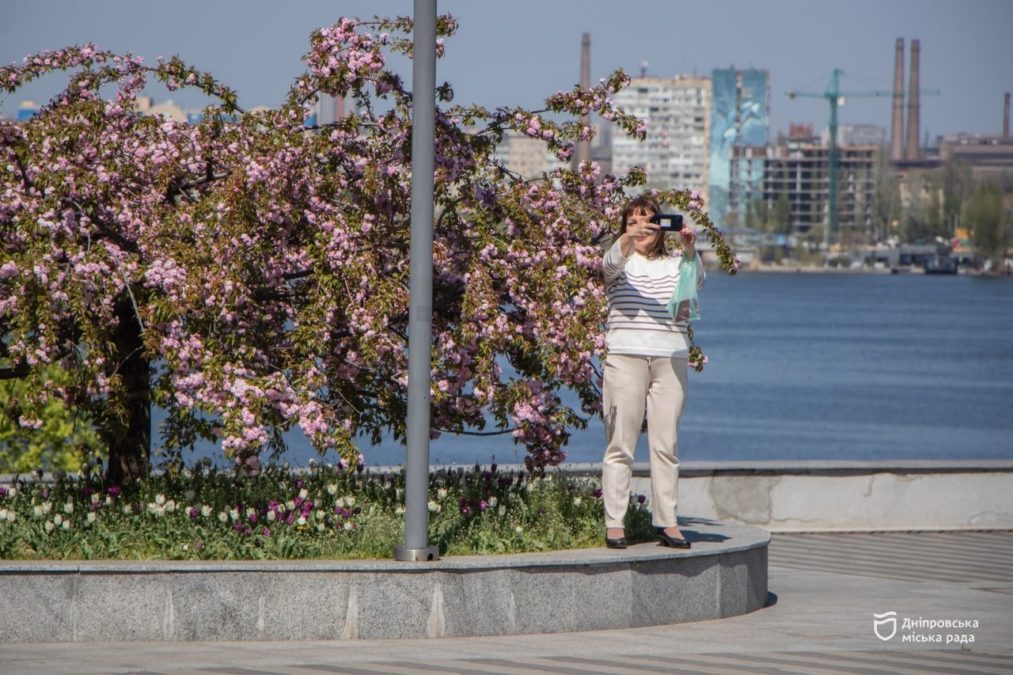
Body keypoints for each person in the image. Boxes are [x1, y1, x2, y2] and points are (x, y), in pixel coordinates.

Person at [601, 194, 704, 549]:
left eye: (648, 221)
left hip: (670, 358)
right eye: (632, 222)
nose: (641, 228)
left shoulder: (676, 263)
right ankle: (615, 524)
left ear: (661, 228)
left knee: (666, 445)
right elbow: (608, 265)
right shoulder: (621, 261)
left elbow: (695, 285)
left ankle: (667, 522)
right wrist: (628, 238)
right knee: (620, 444)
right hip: (625, 356)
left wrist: (689, 250)